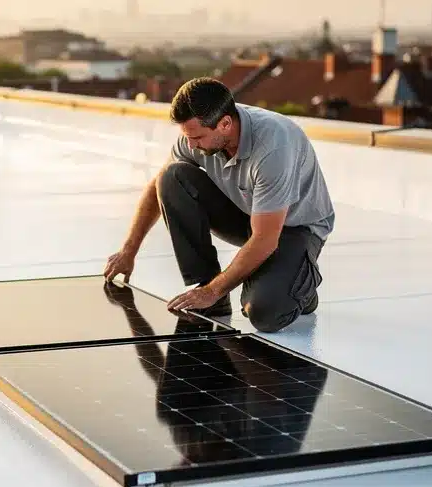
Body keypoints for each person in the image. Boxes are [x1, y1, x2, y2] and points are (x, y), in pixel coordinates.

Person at [103, 77, 335, 333]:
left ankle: (300, 286)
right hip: (248, 215)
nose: (191, 145)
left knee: (264, 313)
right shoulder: (196, 135)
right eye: (187, 136)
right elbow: (157, 188)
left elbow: (266, 240)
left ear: (225, 123)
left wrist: (213, 290)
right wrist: (128, 251)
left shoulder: (273, 146)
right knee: (171, 177)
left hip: (294, 229)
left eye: (198, 137)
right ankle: (210, 291)